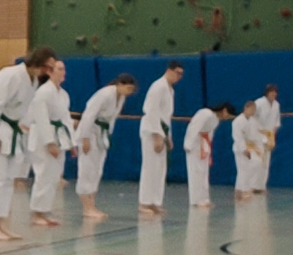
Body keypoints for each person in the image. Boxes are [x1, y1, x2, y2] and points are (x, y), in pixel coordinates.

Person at [0, 48, 54, 241]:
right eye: (46, 67)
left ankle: (3, 224)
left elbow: (24, 111)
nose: (47, 72)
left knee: (8, 181)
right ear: (36, 62)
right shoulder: (8, 75)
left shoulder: (33, 81)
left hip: (12, 133)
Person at [75, 73, 136, 221]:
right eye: (127, 88)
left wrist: (107, 136)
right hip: (90, 132)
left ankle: (92, 205)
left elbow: (112, 119)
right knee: (87, 169)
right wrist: (85, 138)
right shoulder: (105, 94)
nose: (129, 92)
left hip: (101, 135)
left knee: (97, 170)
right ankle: (86, 207)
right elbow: (88, 115)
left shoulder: (120, 98)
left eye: (131, 90)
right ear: (119, 84)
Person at [27, 59, 75, 227]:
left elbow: (66, 120)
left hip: (59, 137)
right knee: (43, 174)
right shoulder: (43, 92)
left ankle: (45, 210)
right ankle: (36, 213)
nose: (64, 72)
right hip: (43, 138)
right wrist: (49, 143)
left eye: (64, 69)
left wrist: (71, 144)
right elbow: (41, 119)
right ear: (49, 71)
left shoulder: (63, 94)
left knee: (54, 176)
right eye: (60, 69)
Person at [138, 61, 184, 217]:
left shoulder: (170, 90)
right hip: (152, 130)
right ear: (169, 70)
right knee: (150, 166)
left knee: (160, 168)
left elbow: (166, 116)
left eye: (181, 74)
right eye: (177, 72)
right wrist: (156, 135)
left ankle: (155, 202)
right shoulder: (158, 86)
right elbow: (151, 111)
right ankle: (144, 203)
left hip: (162, 129)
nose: (179, 76)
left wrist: (168, 136)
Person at [183, 102, 234, 208]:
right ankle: (196, 200)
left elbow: (209, 134)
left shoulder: (215, 120)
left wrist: (208, 149)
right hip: (195, 144)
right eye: (228, 115)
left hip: (204, 143)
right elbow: (194, 126)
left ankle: (204, 198)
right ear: (224, 110)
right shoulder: (206, 113)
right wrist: (188, 144)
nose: (227, 118)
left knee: (204, 172)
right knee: (195, 172)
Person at [233, 99, 267, 202]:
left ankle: (244, 190)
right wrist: (243, 149)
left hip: (252, 147)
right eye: (251, 109)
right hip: (241, 149)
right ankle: (241, 192)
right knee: (242, 170)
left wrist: (265, 141)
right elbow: (238, 137)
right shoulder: (237, 121)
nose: (253, 111)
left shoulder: (253, 121)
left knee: (254, 165)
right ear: (246, 108)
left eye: (254, 110)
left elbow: (259, 133)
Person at [252, 83, 282, 195]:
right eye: (272, 91)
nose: (274, 94)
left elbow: (276, 122)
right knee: (257, 161)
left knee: (266, 162)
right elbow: (252, 119)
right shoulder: (258, 103)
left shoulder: (276, 105)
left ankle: (261, 186)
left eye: (275, 92)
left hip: (269, 135)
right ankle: (253, 185)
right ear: (267, 92)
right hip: (257, 135)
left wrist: (272, 136)